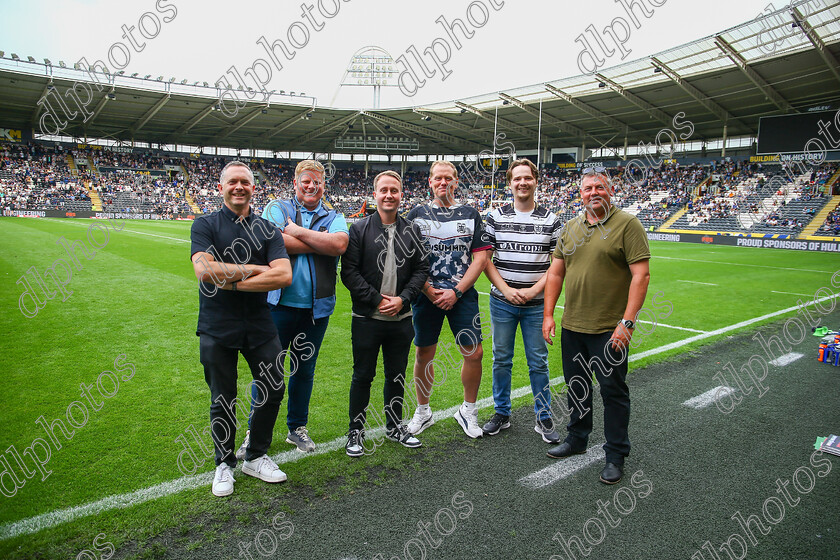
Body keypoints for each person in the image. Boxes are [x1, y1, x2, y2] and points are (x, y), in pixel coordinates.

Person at [190, 161, 292, 497]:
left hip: (259, 323)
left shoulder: (266, 229)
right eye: (232, 182)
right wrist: (254, 270)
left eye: (244, 182)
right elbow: (205, 271)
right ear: (221, 188)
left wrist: (231, 282)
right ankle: (223, 463)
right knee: (223, 396)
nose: (239, 187)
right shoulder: (204, 224)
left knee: (273, 387)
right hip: (216, 324)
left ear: (253, 188)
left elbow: (283, 275)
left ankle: (256, 455)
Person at [542, 166, 650, 485]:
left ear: (610, 191)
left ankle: (616, 454)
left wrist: (627, 322)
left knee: (613, 391)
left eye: (599, 187)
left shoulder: (627, 224)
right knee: (577, 387)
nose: (593, 193)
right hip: (574, 326)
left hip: (609, 328)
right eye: (588, 188)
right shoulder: (571, 227)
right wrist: (549, 315)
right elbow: (556, 273)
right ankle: (577, 438)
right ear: (580, 194)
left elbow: (641, 276)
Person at [236, 160, 348, 456]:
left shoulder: (334, 215)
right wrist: (318, 241)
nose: (311, 187)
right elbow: (268, 242)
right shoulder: (276, 207)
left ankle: (296, 428)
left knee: (304, 371)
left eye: (317, 182)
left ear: (324, 184)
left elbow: (338, 245)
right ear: (295, 183)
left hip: (316, 310)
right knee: (268, 372)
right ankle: (255, 432)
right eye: (306, 181)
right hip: (277, 306)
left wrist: (295, 231)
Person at [340, 170, 430, 456]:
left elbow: (421, 270)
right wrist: (377, 300)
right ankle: (355, 431)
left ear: (401, 195)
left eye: (394, 190)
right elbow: (349, 273)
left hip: (401, 320)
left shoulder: (412, 230)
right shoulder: (358, 230)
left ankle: (394, 426)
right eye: (384, 190)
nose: (389, 195)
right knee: (362, 375)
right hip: (367, 319)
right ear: (375, 194)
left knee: (396, 375)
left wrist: (403, 300)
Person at [406, 160, 491, 438]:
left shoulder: (470, 214)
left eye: (449, 178)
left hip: (462, 294)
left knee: (474, 352)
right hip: (425, 293)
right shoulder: (416, 214)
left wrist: (456, 291)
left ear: (456, 181)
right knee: (423, 352)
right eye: (438, 179)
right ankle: (423, 411)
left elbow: (481, 258)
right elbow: (407, 257)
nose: (443, 183)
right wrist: (429, 290)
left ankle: (468, 410)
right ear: (430, 182)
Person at [482, 159, 561, 443]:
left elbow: (557, 265)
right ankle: (501, 413)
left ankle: (543, 416)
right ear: (510, 182)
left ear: (536, 181)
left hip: (536, 304)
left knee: (538, 362)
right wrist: (505, 289)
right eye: (517, 179)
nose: (522, 183)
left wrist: (531, 291)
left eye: (527, 178)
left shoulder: (552, 219)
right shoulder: (495, 217)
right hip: (502, 302)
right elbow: (485, 260)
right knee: (501, 359)